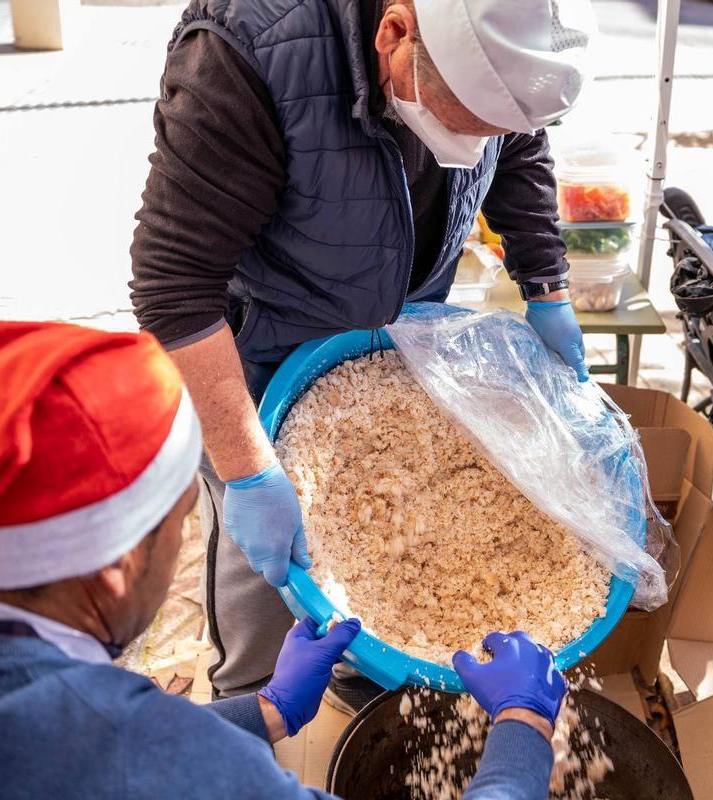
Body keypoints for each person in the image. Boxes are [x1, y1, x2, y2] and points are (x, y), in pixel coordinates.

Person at [129, 0, 598, 706]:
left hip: (395, 342)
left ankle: (363, 677)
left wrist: (547, 284)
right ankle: (252, 704)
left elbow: (518, 144)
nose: (469, 151)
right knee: (268, 575)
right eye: (455, 123)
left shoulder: (490, 59)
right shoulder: (245, 52)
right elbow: (172, 287)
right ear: (394, 33)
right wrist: (249, 468)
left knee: (392, 533)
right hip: (259, 350)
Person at [0, 319, 568, 799]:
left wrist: (264, 711)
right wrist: (522, 726)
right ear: (116, 567)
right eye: (183, 520)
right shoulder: (148, 758)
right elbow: (127, 752)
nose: (188, 538)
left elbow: (52, 749)